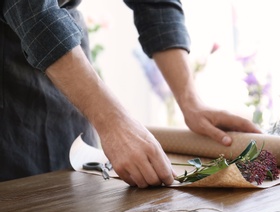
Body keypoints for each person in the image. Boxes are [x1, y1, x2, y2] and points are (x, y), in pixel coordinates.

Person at [0, 0, 260, 187]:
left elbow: (155, 3)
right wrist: (113, 122)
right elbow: (33, 12)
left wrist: (191, 100)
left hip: (64, 62)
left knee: (75, 190)